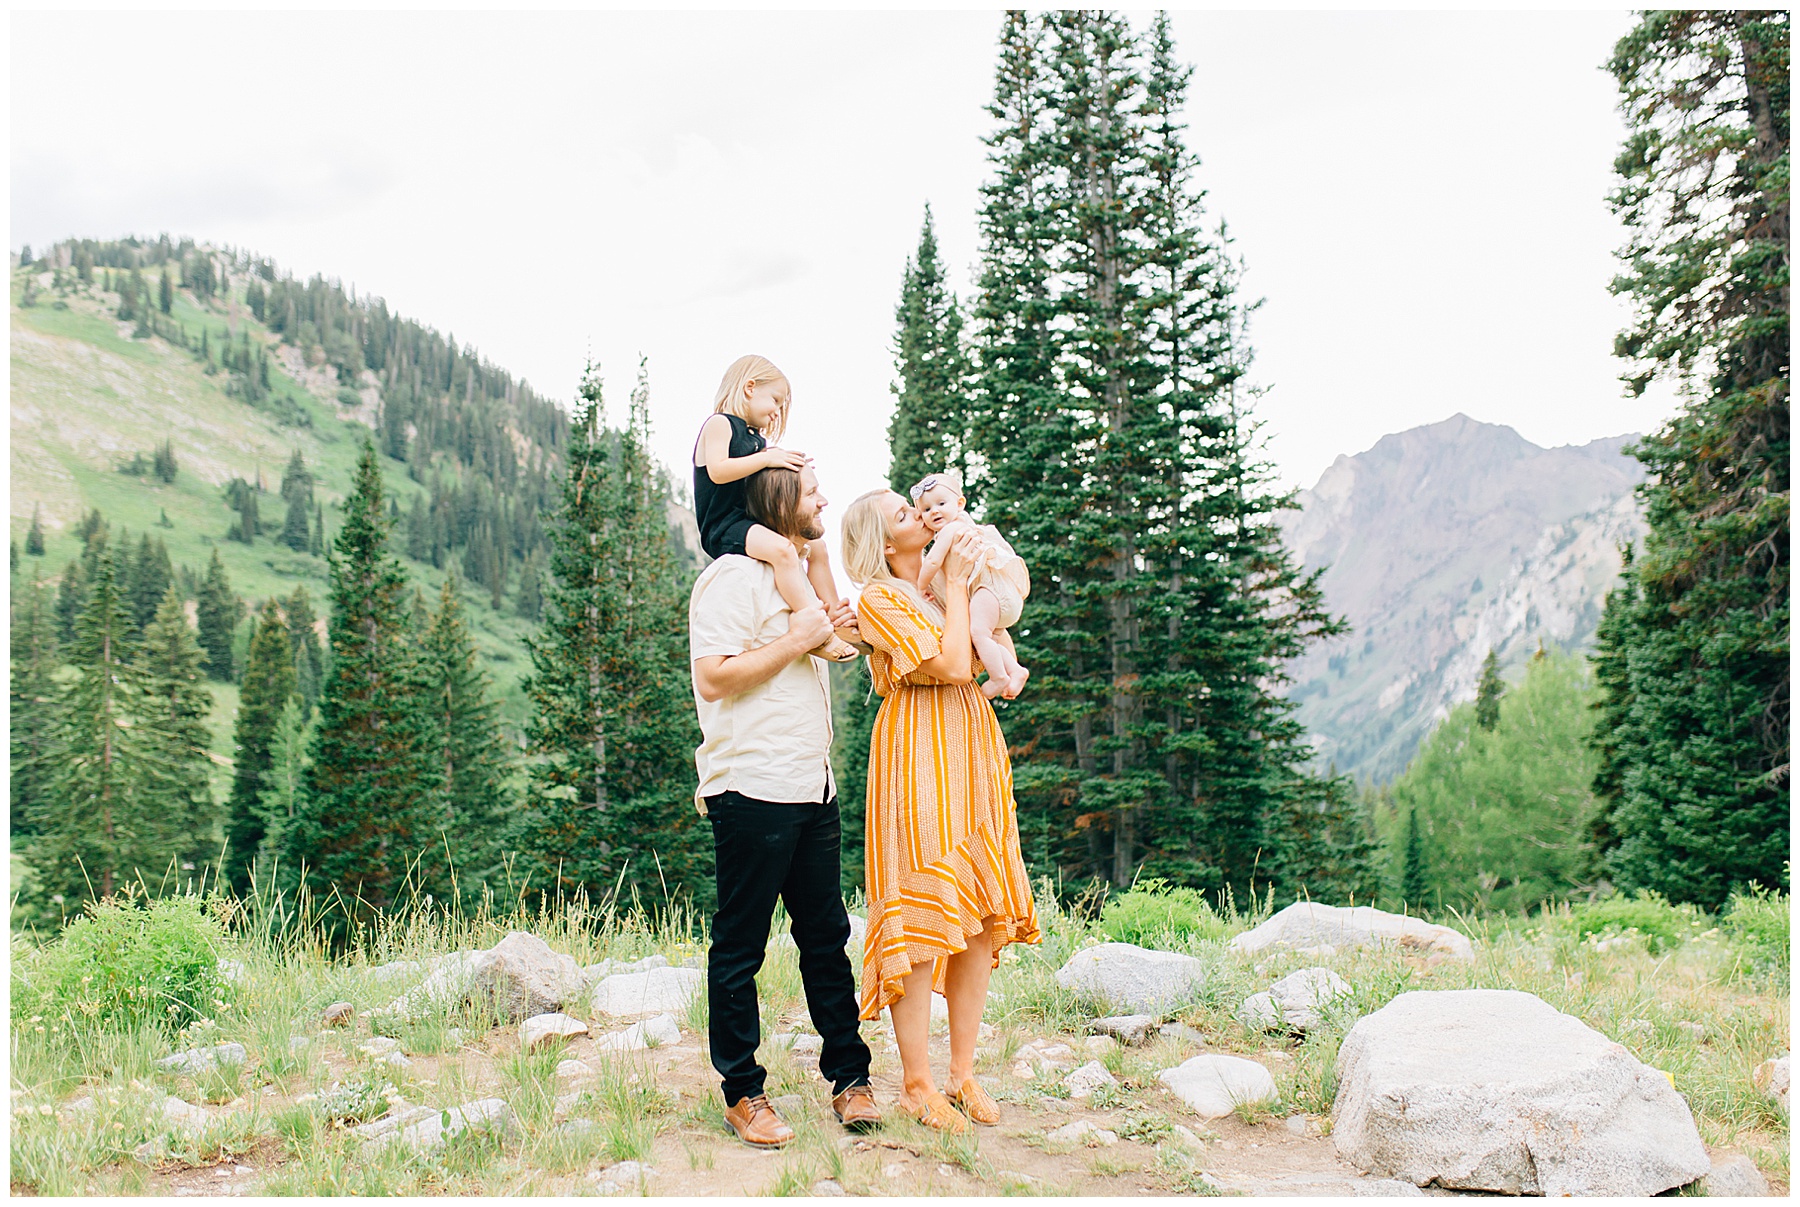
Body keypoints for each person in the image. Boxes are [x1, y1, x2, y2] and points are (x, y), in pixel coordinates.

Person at [688, 463, 879, 1149]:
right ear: (775, 500)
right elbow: (712, 677)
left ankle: (850, 1078)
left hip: (812, 785)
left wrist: (835, 617)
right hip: (751, 787)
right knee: (740, 946)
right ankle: (743, 1091)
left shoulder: (798, 573)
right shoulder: (730, 580)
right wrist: (797, 640)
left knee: (825, 936)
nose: (823, 497)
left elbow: (844, 647)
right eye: (810, 490)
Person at [839, 488, 1042, 1133]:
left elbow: (986, 642)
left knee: (978, 913)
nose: (917, 517)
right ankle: (917, 1084)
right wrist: (956, 585)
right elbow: (954, 662)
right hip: (917, 753)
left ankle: (962, 1075)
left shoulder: (935, 582)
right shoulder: (881, 598)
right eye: (902, 515)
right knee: (924, 911)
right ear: (881, 542)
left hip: (970, 743)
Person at [693, 354, 859, 662]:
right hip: (724, 525)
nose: (777, 411)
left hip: (750, 518)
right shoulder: (719, 425)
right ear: (749, 387)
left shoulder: (757, 440)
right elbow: (718, 470)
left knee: (818, 546)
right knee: (783, 551)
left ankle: (836, 617)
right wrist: (769, 458)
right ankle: (814, 626)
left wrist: (789, 467)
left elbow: (763, 477)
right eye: (776, 400)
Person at [910, 469, 1031, 699]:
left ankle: (998, 677)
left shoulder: (952, 528)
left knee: (979, 633)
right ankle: (1015, 670)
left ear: (960, 503)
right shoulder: (966, 524)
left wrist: (921, 585)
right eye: (926, 509)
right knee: (991, 636)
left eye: (941, 503)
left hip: (991, 591)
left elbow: (933, 560)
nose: (934, 511)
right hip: (997, 595)